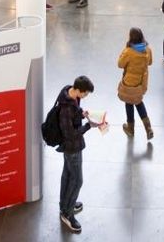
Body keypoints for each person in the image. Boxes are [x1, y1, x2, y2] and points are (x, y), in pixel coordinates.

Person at [54, 75, 105, 233]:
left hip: (71, 147)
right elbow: (70, 134)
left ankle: (65, 205)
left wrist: (82, 113)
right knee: (77, 180)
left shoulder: (69, 93)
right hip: (72, 148)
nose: (85, 96)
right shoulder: (66, 108)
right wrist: (89, 126)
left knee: (67, 175)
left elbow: (74, 113)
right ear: (78, 90)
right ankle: (67, 214)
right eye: (85, 94)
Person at [117, 28, 154, 139]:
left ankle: (130, 129)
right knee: (138, 102)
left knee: (129, 103)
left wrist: (124, 51)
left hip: (129, 82)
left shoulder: (129, 51)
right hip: (141, 82)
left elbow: (120, 64)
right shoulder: (147, 50)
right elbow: (150, 62)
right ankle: (148, 128)